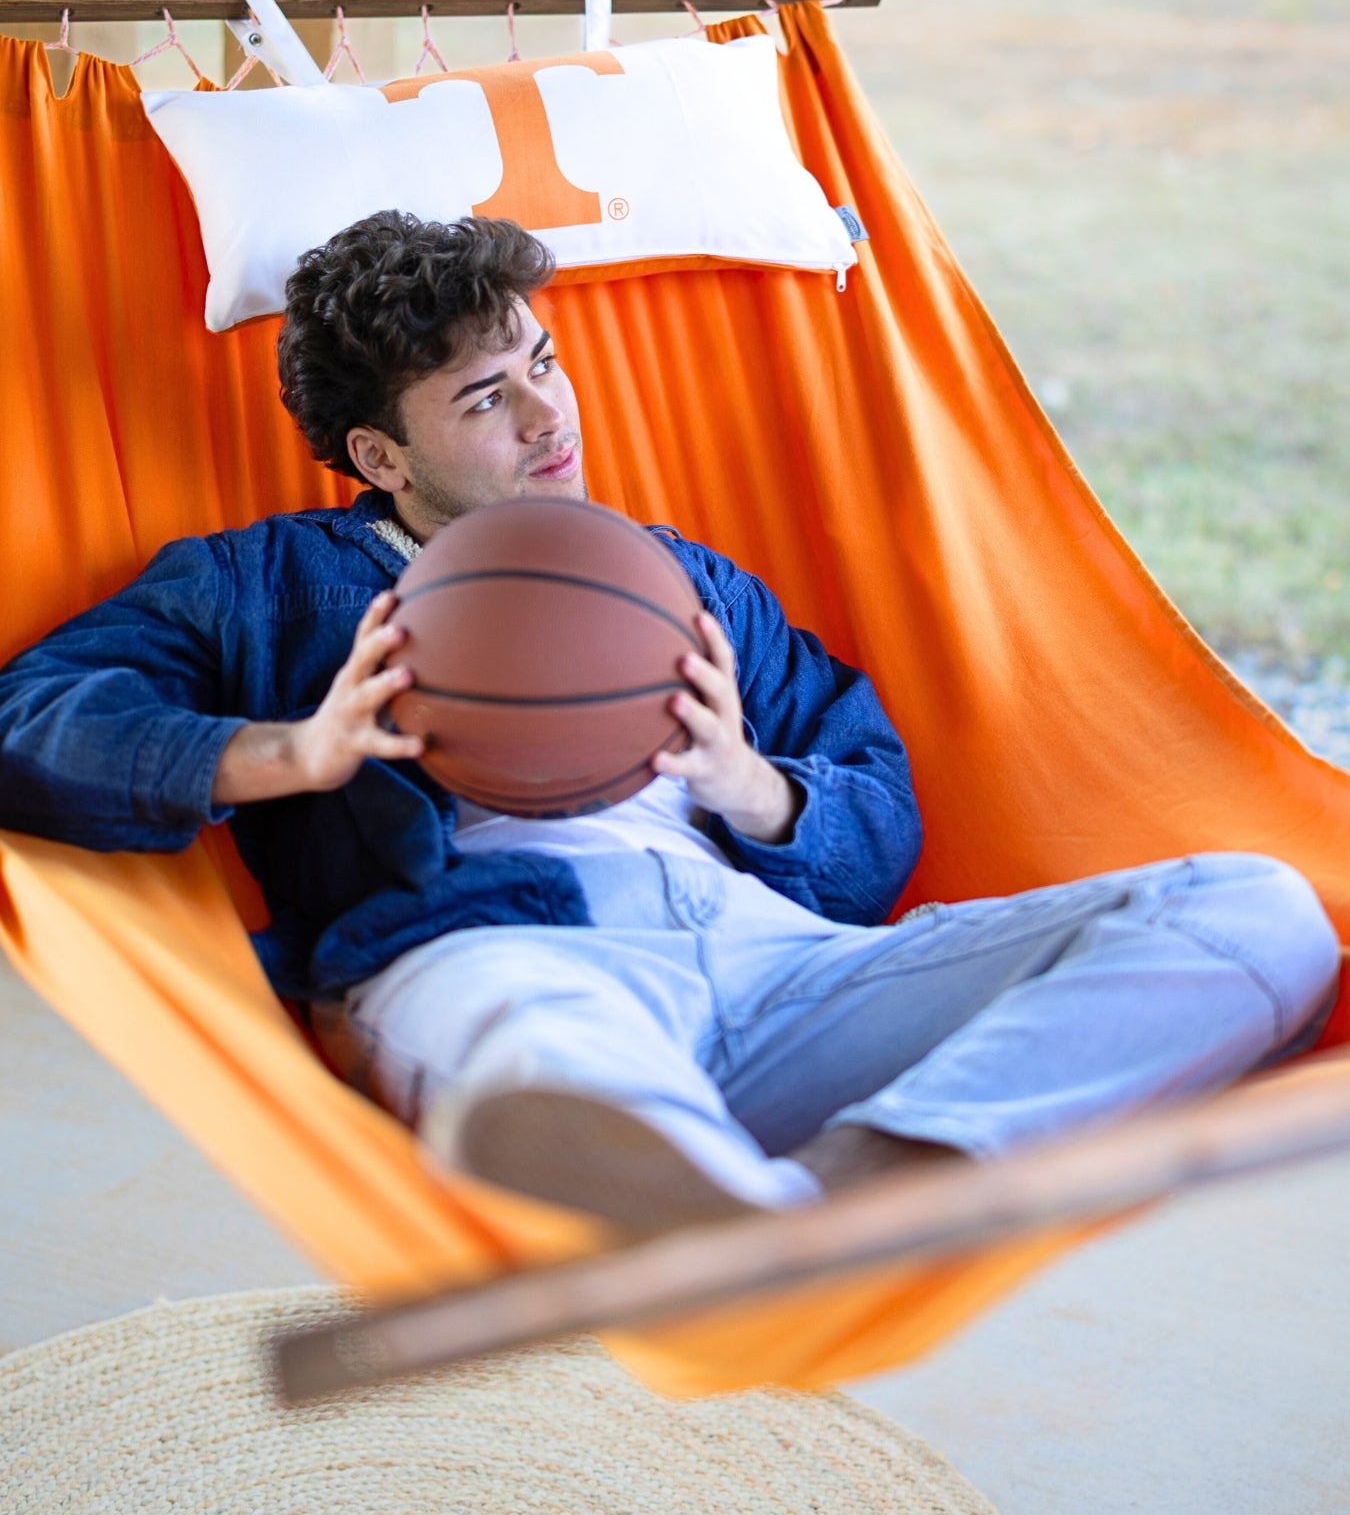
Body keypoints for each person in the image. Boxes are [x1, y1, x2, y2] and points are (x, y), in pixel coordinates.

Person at [0, 211, 1338, 1232]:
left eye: (541, 364)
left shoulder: (676, 579)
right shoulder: (260, 585)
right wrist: (292, 752)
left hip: (778, 968)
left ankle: (845, 1184)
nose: (547, 416)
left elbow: (874, 798)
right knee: (538, 1059)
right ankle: (704, 1194)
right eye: (485, 399)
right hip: (508, 958)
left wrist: (753, 788)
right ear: (379, 460)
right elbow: (32, 720)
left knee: (1257, 911)